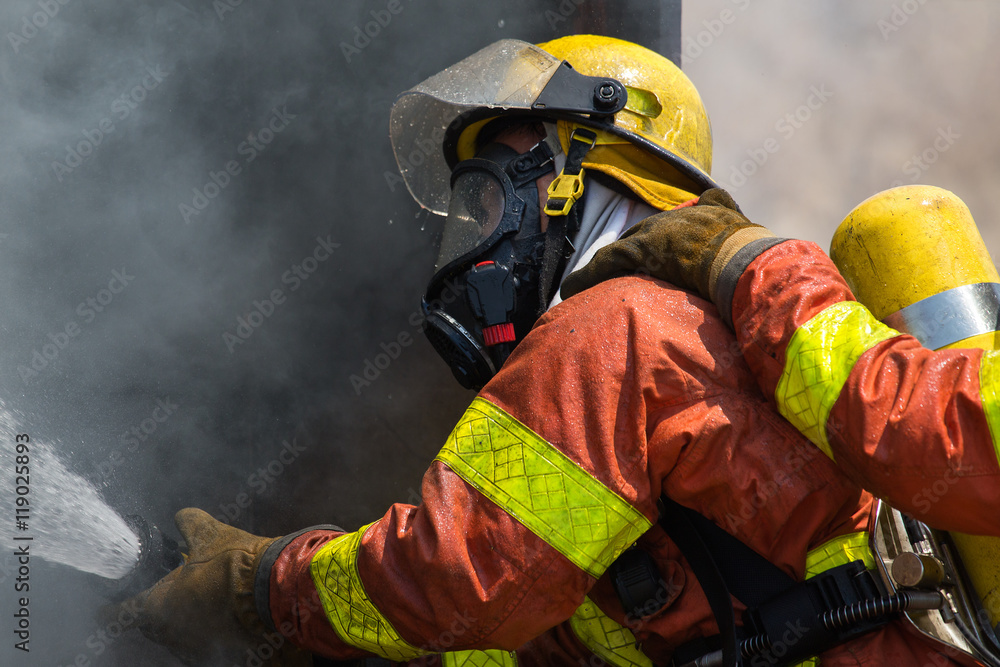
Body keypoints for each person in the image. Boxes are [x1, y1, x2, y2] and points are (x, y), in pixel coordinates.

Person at [113, 36, 1000, 667]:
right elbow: (535, 634)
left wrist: (264, 585)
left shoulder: (611, 329)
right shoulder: (703, 343)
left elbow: (459, 576)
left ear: (579, 181)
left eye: (488, 205)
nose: (472, 244)